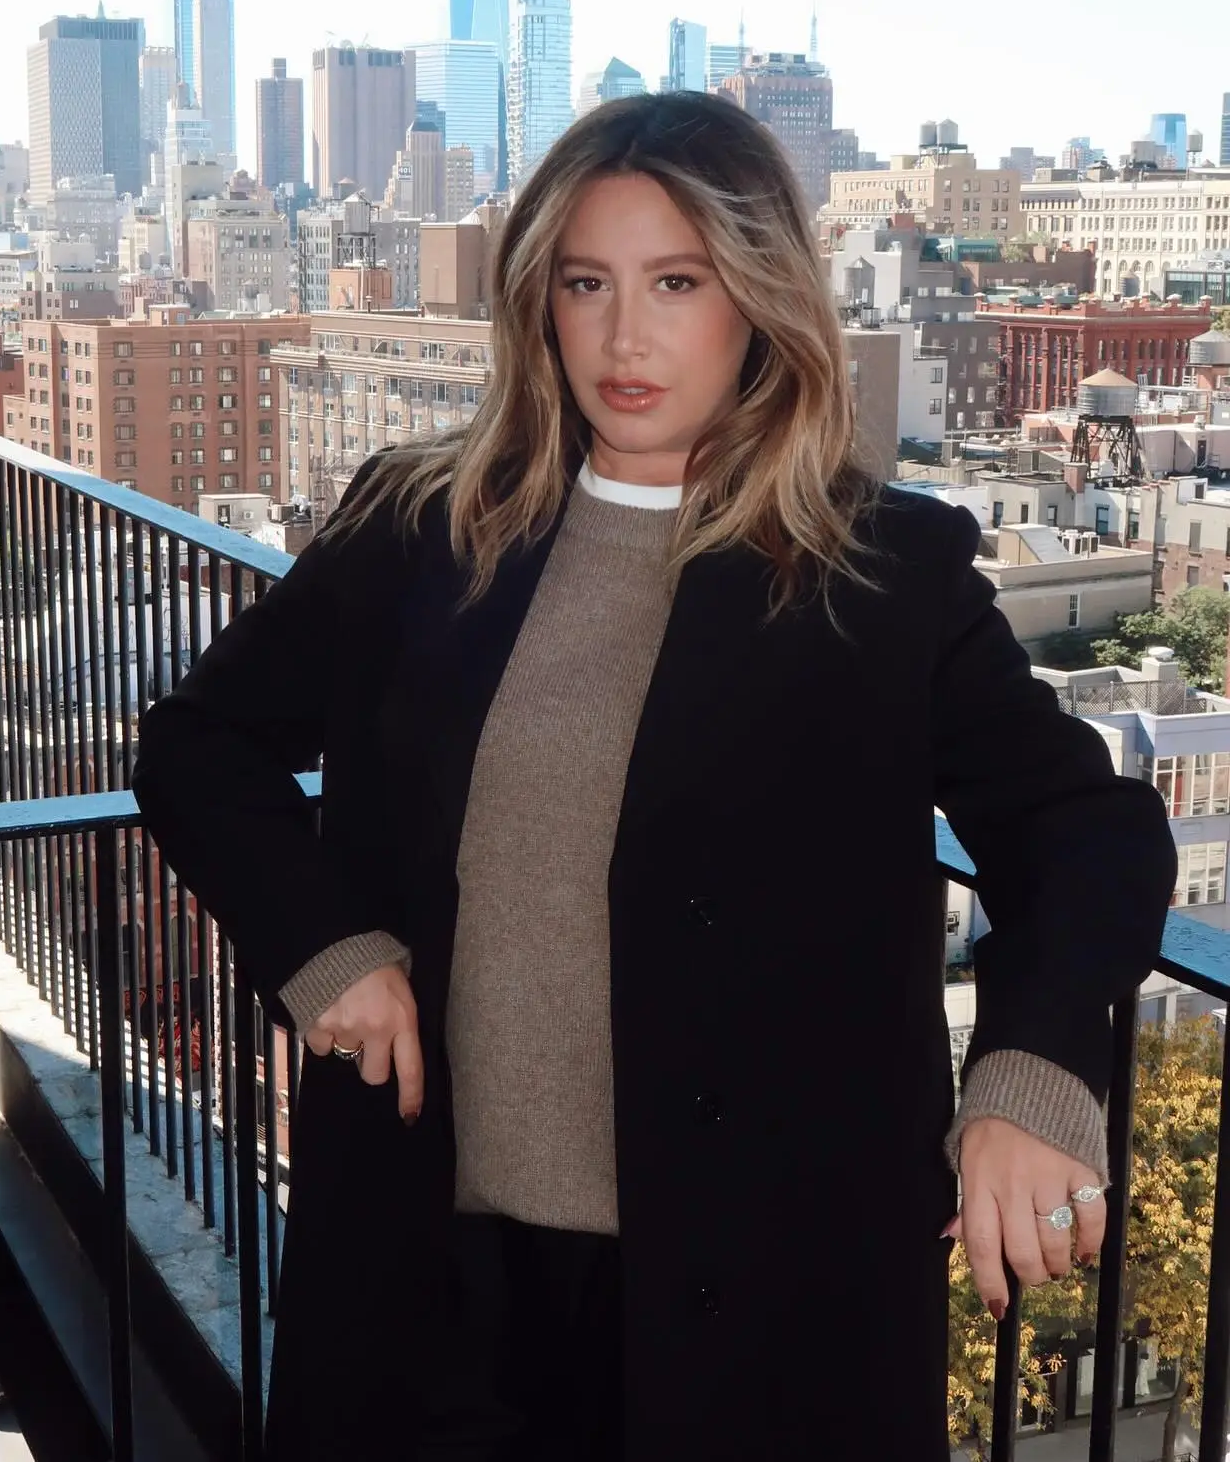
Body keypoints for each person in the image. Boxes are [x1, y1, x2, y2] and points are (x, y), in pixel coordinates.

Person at [132, 93, 1176, 1461]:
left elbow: (1087, 829)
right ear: (539, 306)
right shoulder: (416, 527)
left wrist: (1028, 1069)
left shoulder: (881, 572)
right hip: (434, 1286)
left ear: (756, 300)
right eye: (587, 283)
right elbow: (198, 745)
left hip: (765, 1317)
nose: (625, 336)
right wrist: (321, 946)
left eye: (676, 283)